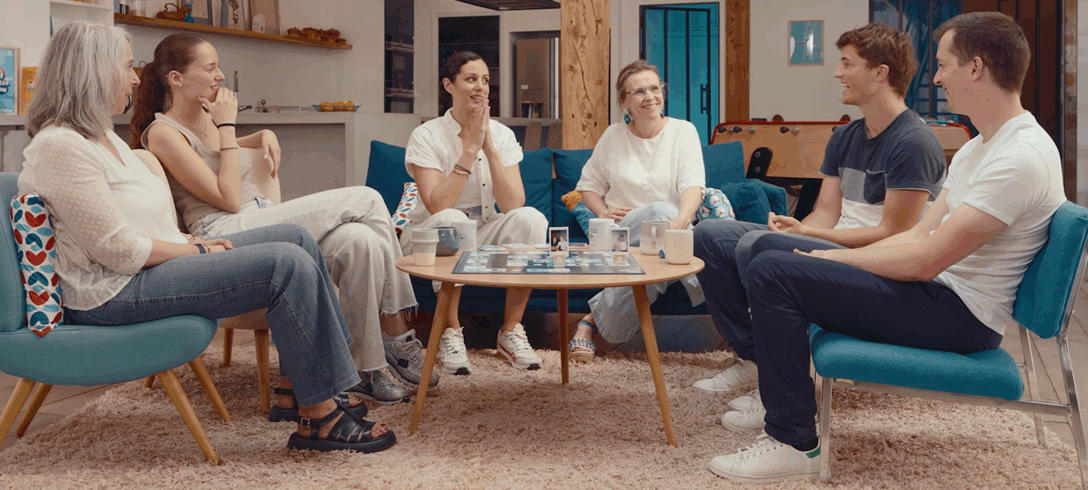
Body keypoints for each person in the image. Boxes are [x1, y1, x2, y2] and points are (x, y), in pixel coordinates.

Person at [708, 12, 1064, 483]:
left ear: (976, 68)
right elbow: (917, 237)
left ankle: (792, 443)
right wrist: (820, 258)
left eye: (944, 65)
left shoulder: (1020, 158)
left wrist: (828, 258)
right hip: (938, 293)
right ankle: (780, 396)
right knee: (777, 262)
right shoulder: (980, 148)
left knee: (775, 271)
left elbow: (924, 260)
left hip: (962, 317)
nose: (936, 78)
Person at [21, 21, 395, 453]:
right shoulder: (60, 146)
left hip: (145, 269)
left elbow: (142, 224)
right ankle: (321, 418)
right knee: (284, 265)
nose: (136, 78)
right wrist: (196, 249)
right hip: (111, 292)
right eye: (125, 67)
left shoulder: (102, 137)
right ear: (92, 73)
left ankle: (306, 388)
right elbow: (118, 250)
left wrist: (189, 245)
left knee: (294, 237)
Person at [131, 33, 430, 405]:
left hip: (257, 217)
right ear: (176, 78)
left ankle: (364, 371)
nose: (220, 76)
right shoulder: (163, 134)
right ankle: (395, 325)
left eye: (218, 67)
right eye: (210, 68)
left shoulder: (206, 116)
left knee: (360, 241)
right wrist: (227, 126)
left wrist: (261, 133)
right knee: (367, 198)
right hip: (223, 232)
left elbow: (218, 153)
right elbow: (228, 199)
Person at [690, 23, 947, 429]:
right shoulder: (845, 136)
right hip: (833, 243)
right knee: (709, 236)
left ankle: (783, 381)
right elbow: (825, 212)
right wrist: (796, 229)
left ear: (880, 73)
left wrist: (809, 237)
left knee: (758, 247)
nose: (837, 73)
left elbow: (894, 234)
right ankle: (756, 360)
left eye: (847, 63)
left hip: (873, 259)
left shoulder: (914, 142)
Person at [402, 51, 549, 374]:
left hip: (483, 228)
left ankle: (510, 332)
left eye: (485, 80)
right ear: (449, 86)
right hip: (430, 235)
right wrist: (468, 150)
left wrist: (489, 147)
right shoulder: (426, 135)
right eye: (471, 79)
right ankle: (450, 332)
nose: (481, 87)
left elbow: (512, 205)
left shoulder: (502, 134)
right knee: (453, 220)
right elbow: (437, 206)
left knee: (531, 219)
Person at [567, 60, 706, 362]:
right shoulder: (613, 136)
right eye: (639, 91)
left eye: (655, 88)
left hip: (670, 236)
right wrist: (603, 212)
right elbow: (586, 187)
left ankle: (589, 322)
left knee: (657, 237)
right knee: (656, 211)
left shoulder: (683, 131)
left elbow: (693, 186)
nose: (650, 97)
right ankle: (712, 290)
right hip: (624, 233)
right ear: (623, 101)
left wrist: (680, 221)